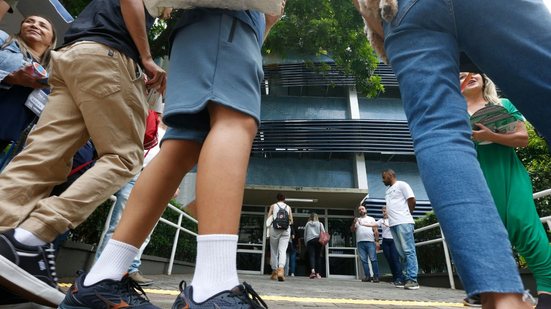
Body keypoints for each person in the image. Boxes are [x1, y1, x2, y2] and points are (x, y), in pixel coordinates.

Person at [59, 3, 285, 309]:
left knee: (182, 146)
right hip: (227, 22)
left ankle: (101, 279)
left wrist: (267, 20)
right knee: (235, 120)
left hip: (201, 28)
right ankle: (212, 288)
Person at [353, 0, 551, 307]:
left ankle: (502, 297)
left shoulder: (497, 108)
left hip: (401, 11)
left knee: (438, 132)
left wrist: (388, 27)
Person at [0, 0, 166, 306]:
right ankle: (29, 238)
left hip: (70, 55)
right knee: (124, 158)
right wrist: (145, 57)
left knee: (42, 157)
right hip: (109, 56)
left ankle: (4, 244)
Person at [460, 72, 551, 309]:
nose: (468, 77)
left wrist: (490, 135)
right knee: (486, 233)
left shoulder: (502, 105)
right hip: (477, 177)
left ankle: (548, 290)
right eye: (461, 76)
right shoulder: (453, 114)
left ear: (484, 79)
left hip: (508, 171)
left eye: (472, 74)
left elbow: (522, 138)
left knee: (525, 224)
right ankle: (488, 289)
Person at [93, 108, 170, 287]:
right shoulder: (150, 121)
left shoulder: (175, 135)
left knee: (146, 231)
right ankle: (101, 270)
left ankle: (131, 269)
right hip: (135, 175)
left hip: (158, 183)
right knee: (119, 224)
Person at [0, 15, 56, 153]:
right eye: (29, 21)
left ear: (51, 41)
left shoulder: (53, 76)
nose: (34, 25)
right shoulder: (3, 40)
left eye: (42, 25)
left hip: (4, 134)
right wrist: (10, 78)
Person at [382, 169, 419, 290]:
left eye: (384, 177)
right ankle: (405, 278)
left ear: (391, 175)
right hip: (393, 224)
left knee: (408, 250)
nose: (383, 180)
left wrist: (408, 214)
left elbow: (412, 200)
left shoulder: (402, 184)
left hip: (403, 222)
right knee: (401, 253)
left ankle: (412, 279)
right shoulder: (387, 191)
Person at [267, 192, 293, 282]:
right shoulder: (288, 207)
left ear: (277, 198)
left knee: (274, 251)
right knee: (283, 250)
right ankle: (281, 270)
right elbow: (291, 221)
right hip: (285, 230)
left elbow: (269, 218)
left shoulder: (273, 206)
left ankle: (274, 271)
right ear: (284, 199)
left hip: (274, 229)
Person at [350, 205, 380, 283]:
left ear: (365, 210)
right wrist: (354, 222)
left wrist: (377, 241)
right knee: (364, 260)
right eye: (359, 210)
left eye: (362, 209)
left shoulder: (371, 219)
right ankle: (367, 276)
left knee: (373, 259)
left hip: (370, 241)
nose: (361, 210)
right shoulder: (357, 220)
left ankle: (376, 276)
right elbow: (352, 230)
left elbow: (376, 230)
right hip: (360, 242)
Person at [377, 206, 404, 287]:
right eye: (382, 212)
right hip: (385, 242)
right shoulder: (381, 221)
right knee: (390, 260)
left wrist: (388, 225)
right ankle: (395, 278)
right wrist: (363, 223)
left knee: (395, 259)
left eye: (385, 211)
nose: (383, 213)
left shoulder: (393, 220)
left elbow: (398, 228)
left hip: (393, 241)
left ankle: (400, 278)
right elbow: (374, 224)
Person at [304, 212, 325, 279]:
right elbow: (323, 233)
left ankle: (312, 271)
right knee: (318, 257)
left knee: (311, 256)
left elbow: (305, 234)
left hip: (310, 241)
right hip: (318, 241)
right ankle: (318, 274)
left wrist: (305, 243)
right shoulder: (320, 224)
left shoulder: (307, 224)